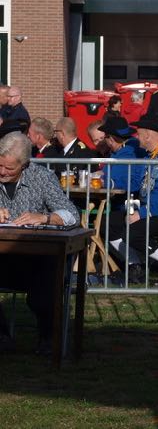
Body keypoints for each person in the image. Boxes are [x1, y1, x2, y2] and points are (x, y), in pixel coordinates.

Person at [0, 131, 80, 354]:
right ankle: (2, 335)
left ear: (24, 165)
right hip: (4, 257)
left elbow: (72, 214)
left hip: (38, 259)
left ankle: (48, 337)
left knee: (44, 289)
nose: (2, 172)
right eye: (0, 166)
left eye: (9, 168)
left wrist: (46, 217)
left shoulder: (42, 177)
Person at [105, 115, 158, 285]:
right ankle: (136, 266)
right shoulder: (150, 156)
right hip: (150, 208)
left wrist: (142, 213)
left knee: (134, 232)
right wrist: (110, 182)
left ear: (148, 135)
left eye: (138, 134)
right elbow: (136, 182)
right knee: (110, 223)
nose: (136, 138)